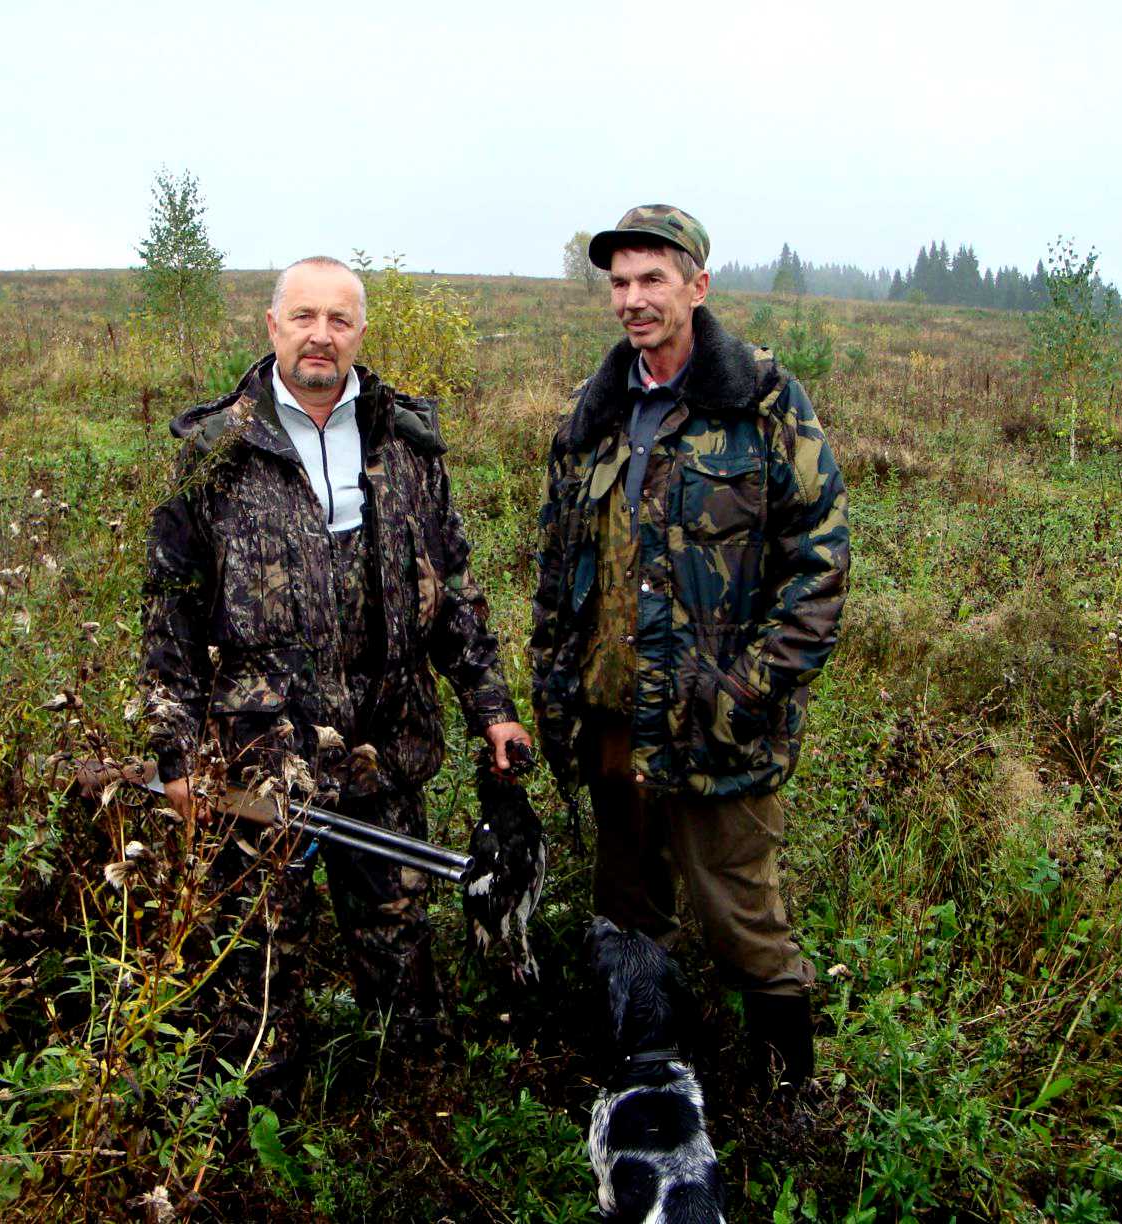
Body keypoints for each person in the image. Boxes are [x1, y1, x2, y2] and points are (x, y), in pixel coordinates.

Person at [141, 256, 529, 1075]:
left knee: (402, 964)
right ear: (273, 326)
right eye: (305, 317)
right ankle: (253, 1126)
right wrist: (174, 751)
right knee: (251, 962)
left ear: (360, 333)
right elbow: (170, 609)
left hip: (384, 738)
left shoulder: (407, 440)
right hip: (260, 755)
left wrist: (491, 707)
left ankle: (414, 1117)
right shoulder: (217, 448)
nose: (321, 335)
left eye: (340, 320)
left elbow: (452, 591)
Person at [529, 206, 849, 1091]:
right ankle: (646, 1071)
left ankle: (788, 1099)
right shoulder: (593, 417)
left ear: (697, 287)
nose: (633, 300)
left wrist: (747, 691)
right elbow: (558, 566)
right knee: (629, 912)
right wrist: (553, 685)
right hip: (613, 718)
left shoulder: (763, 401)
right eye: (621, 283)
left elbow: (818, 560)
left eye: (652, 280)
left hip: (717, 727)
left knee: (742, 920)